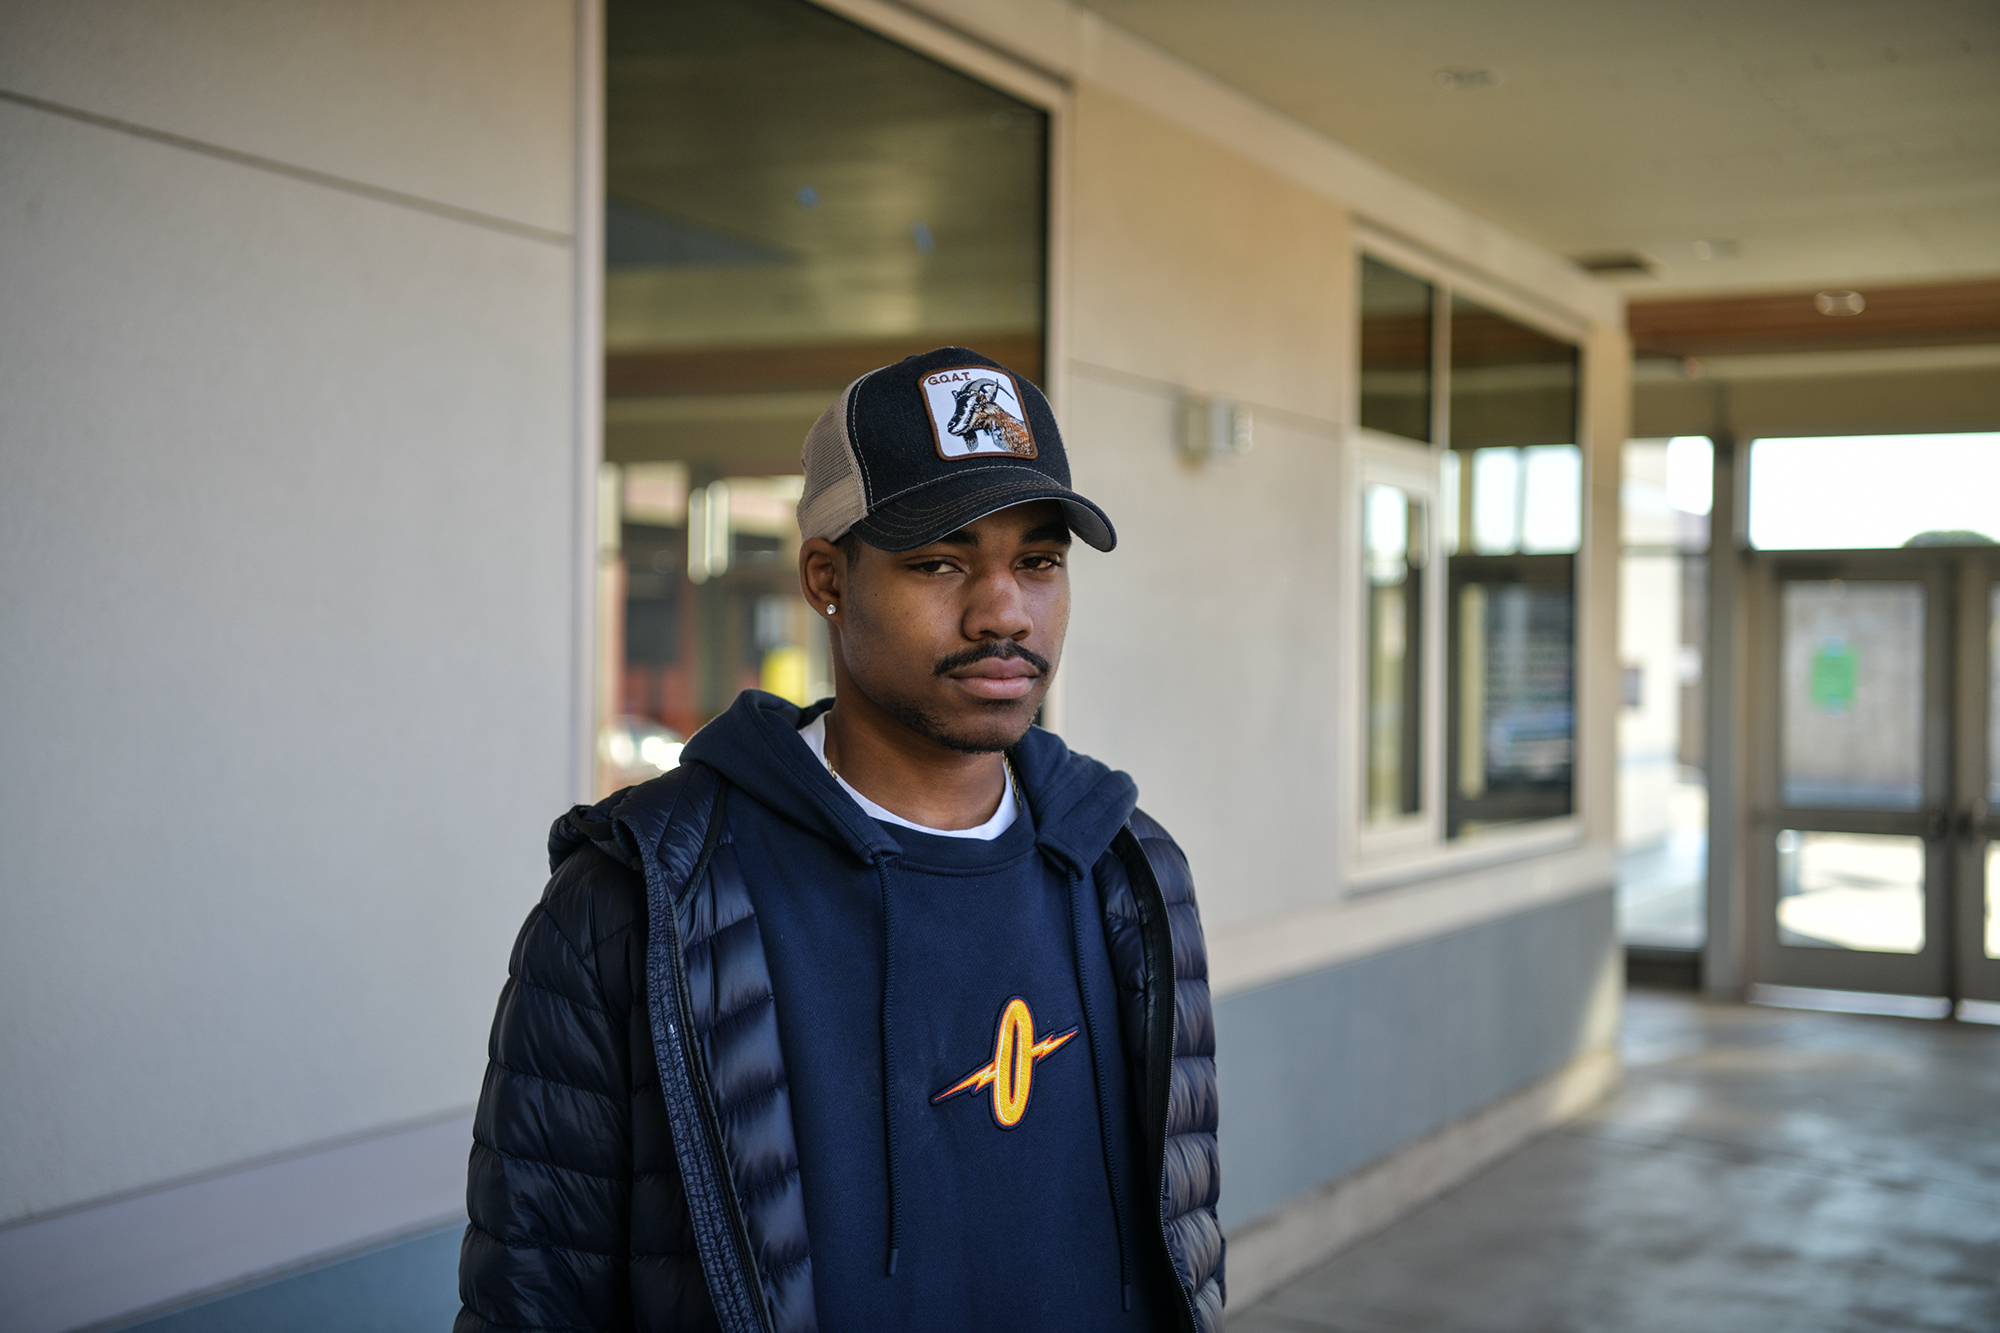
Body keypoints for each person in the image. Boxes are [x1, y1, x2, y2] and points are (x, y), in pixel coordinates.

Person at [454, 347, 1222, 1333]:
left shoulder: (1131, 875)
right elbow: (533, 1300)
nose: (1003, 610)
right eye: (939, 560)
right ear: (826, 577)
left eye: (1036, 560)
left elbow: (1182, 1241)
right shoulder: (640, 904)